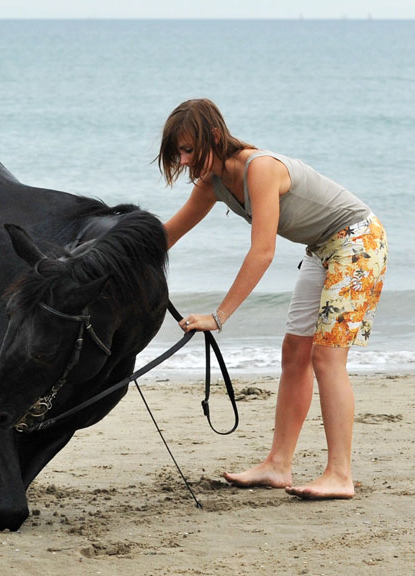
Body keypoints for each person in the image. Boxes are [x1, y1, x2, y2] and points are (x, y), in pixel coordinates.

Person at [156, 98, 387, 500]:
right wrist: (106, 253)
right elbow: (167, 235)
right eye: (178, 152)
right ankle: (278, 465)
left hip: (357, 241)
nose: (184, 160)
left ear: (214, 136)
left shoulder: (258, 169)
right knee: (293, 353)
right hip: (321, 249)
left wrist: (219, 315)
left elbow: (262, 252)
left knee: (326, 357)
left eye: (190, 149)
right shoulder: (211, 183)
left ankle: (339, 474)